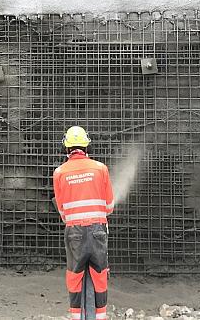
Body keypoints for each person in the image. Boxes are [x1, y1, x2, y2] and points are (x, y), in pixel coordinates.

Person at [52, 126, 114, 320]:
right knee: (100, 273)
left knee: (74, 273)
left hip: (75, 232)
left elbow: (62, 210)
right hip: (97, 230)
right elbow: (109, 206)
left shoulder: (59, 173)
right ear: (87, 146)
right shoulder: (101, 169)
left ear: (66, 148)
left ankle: (76, 315)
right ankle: (102, 315)